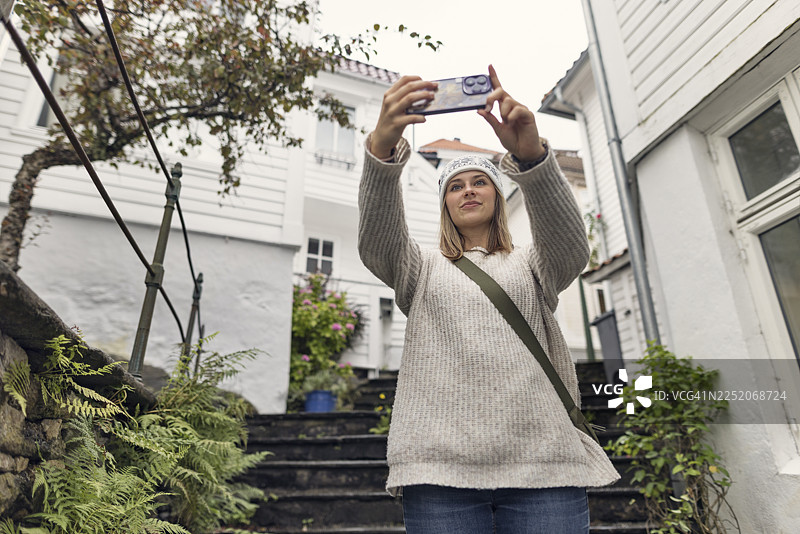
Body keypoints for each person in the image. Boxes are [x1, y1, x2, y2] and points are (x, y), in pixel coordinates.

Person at [357, 65, 620, 534]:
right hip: (439, 471)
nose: (468, 191)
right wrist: (381, 151)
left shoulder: (532, 263)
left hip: (546, 465)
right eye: (455, 187)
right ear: (445, 205)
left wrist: (533, 159)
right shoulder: (419, 267)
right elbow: (378, 241)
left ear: (497, 196)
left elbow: (570, 248)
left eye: (479, 182)